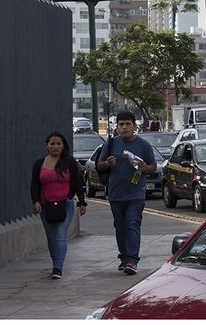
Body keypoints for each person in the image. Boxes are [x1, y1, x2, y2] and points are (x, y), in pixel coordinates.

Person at [96, 110, 157, 275]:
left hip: (136, 194)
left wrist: (144, 167)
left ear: (134, 126)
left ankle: (132, 259)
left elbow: (153, 167)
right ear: (117, 127)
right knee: (120, 227)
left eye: (127, 124)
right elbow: (99, 166)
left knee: (132, 225)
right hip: (116, 195)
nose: (124, 127)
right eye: (121, 124)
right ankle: (124, 258)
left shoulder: (144, 145)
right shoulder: (111, 144)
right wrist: (107, 164)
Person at [30, 130, 87, 279]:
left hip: (65, 204)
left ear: (63, 146)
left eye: (58, 144)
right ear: (47, 145)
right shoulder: (39, 163)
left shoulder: (69, 162)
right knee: (51, 238)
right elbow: (35, 184)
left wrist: (82, 202)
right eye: (52, 144)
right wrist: (35, 201)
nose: (55, 147)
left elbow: (77, 183)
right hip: (45, 205)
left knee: (60, 235)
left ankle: (58, 268)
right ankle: (56, 262)